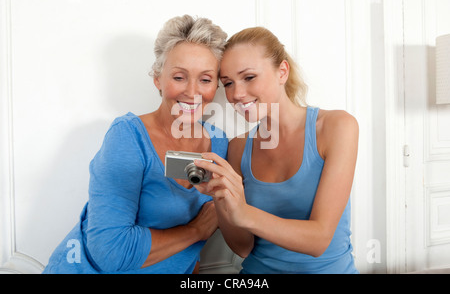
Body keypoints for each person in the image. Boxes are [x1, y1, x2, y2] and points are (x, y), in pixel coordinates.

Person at [43, 15, 228, 274]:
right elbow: (110, 253)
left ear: (216, 85)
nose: (192, 91)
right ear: (157, 79)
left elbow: (190, 255)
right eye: (179, 77)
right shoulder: (128, 136)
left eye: (205, 79)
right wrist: (196, 231)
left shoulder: (219, 144)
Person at [194, 27, 359, 274]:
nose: (237, 94)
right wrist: (222, 199)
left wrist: (243, 212)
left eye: (249, 77)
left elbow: (318, 240)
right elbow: (242, 247)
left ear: (282, 72)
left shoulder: (337, 127)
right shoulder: (239, 146)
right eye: (228, 83)